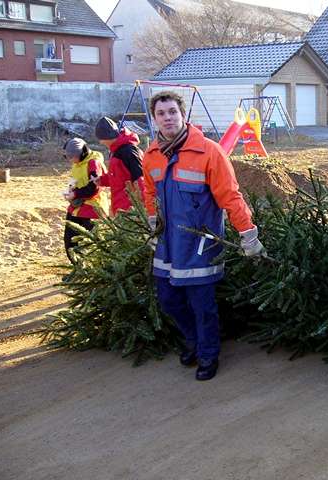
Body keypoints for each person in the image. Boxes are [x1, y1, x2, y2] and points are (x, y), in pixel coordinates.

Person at [142, 91, 264, 381]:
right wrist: (151, 222)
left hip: (200, 242)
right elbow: (149, 191)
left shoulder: (208, 152)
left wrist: (248, 233)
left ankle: (208, 354)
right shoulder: (151, 156)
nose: (167, 117)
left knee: (202, 305)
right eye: (161, 113)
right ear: (154, 119)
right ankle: (193, 340)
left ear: (183, 115)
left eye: (172, 111)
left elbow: (230, 196)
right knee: (168, 299)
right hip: (168, 243)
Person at [62, 138, 108, 262]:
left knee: (97, 241)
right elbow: (77, 180)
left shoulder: (93, 163)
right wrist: (71, 190)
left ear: (80, 154)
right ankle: (78, 269)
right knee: (70, 240)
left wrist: (75, 194)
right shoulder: (77, 164)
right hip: (77, 207)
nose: (70, 160)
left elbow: (94, 188)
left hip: (93, 208)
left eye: (71, 157)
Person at [93, 116, 144, 215]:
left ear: (106, 138)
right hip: (120, 209)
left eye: (101, 140)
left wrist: (145, 210)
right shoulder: (115, 151)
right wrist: (102, 180)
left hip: (132, 212)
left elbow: (141, 180)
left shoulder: (129, 152)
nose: (101, 142)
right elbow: (118, 177)